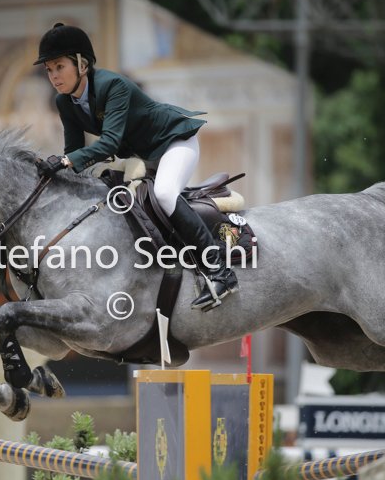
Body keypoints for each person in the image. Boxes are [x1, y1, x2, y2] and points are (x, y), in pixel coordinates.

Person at [33, 23, 237, 310]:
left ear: (82, 64)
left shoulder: (112, 85)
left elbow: (109, 143)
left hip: (174, 143)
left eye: (59, 67)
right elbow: (74, 151)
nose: (54, 76)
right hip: (144, 156)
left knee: (165, 194)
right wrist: (56, 169)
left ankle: (220, 272)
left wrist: (67, 161)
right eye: (49, 70)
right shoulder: (64, 102)